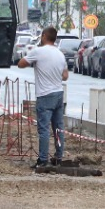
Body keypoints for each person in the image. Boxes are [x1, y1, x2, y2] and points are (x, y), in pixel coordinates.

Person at [18, 25, 68, 168]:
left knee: (44, 129)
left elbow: (21, 64)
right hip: (59, 94)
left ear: (45, 36)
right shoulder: (60, 54)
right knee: (58, 128)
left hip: (45, 95)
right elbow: (65, 76)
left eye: (42, 35)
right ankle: (58, 157)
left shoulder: (38, 52)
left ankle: (43, 160)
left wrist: (34, 63)